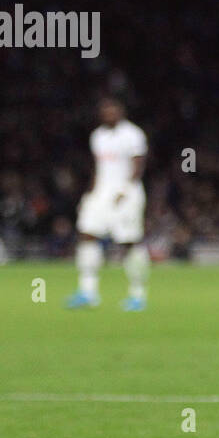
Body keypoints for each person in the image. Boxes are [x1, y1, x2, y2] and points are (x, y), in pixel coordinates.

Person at [65, 98, 150, 311]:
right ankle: (88, 292)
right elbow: (99, 167)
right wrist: (90, 194)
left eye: (113, 110)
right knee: (87, 234)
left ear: (121, 112)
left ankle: (138, 295)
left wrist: (126, 190)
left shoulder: (133, 134)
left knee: (129, 241)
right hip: (101, 193)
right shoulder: (98, 136)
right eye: (105, 111)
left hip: (126, 193)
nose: (109, 114)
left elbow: (138, 166)